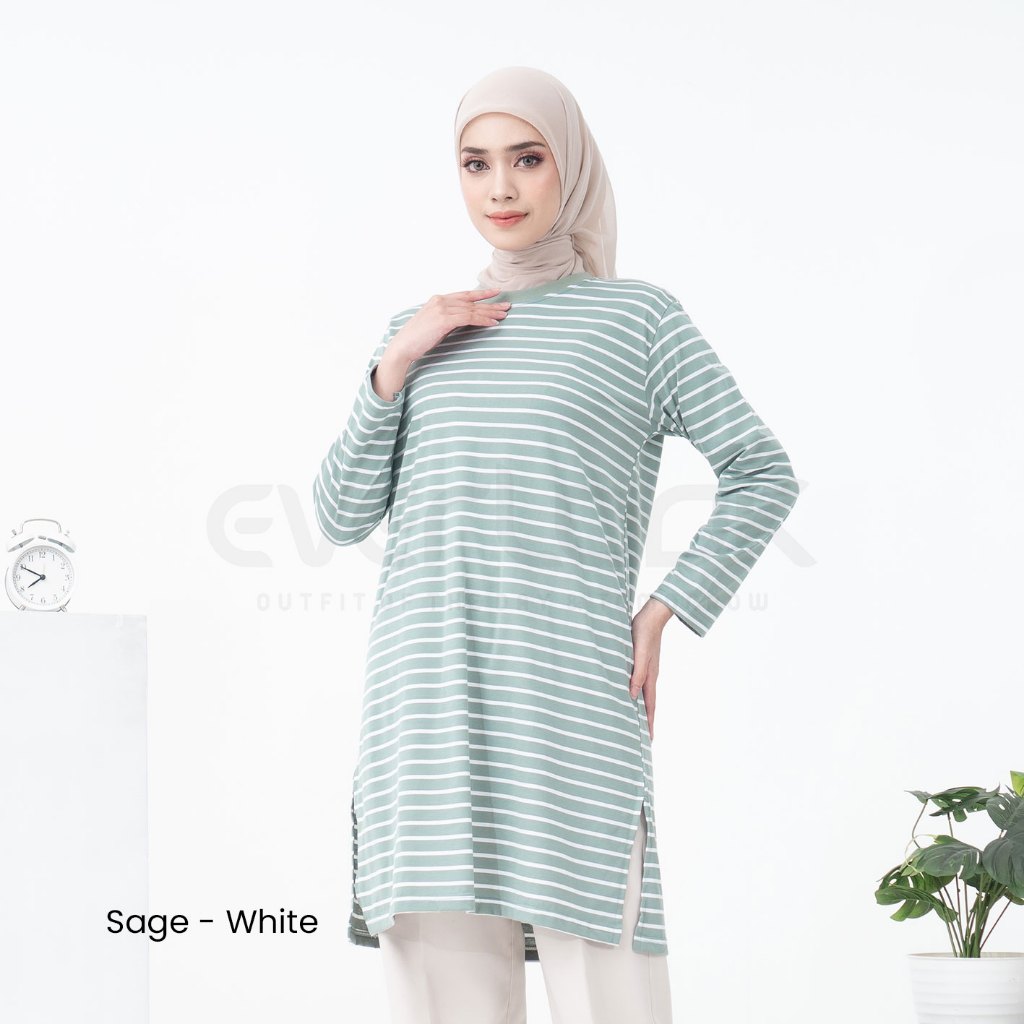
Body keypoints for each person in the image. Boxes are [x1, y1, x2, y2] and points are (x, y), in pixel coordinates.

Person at [313, 65, 800, 1024]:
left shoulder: (638, 320)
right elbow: (338, 515)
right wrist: (394, 365)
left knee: (608, 992)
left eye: (527, 159)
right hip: (426, 712)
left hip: (572, 705)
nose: (500, 188)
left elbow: (761, 471)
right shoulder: (418, 333)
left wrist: (662, 612)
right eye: (476, 163)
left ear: (569, 167)